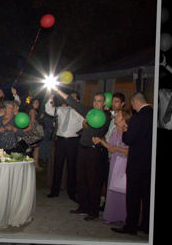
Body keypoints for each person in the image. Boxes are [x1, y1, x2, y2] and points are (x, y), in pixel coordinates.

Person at [52, 87, 112, 221]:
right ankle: (83, 206)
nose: (96, 103)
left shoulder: (107, 118)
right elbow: (73, 103)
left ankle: (93, 211)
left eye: (99, 101)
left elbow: (107, 134)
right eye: (95, 100)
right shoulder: (90, 112)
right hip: (83, 148)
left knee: (93, 181)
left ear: (104, 103)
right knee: (81, 179)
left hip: (95, 151)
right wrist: (57, 89)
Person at [113, 92, 153, 235]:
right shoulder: (154, 115)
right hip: (150, 163)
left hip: (137, 163)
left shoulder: (137, 117)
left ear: (135, 101)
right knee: (148, 197)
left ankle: (131, 227)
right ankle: (147, 225)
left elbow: (128, 140)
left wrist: (124, 131)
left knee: (134, 197)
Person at [94, 108, 132, 225]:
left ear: (124, 119)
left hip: (123, 163)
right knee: (112, 188)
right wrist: (100, 140)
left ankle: (123, 216)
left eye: (118, 115)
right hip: (114, 162)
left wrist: (116, 149)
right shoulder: (116, 131)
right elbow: (111, 147)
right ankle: (112, 215)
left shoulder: (128, 133)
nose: (115, 115)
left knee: (122, 189)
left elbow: (130, 151)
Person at [45, 91, 84, 201]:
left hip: (73, 141)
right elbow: (48, 109)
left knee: (72, 167)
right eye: (70, 97)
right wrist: (51, 97)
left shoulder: (80, 113)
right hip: (61, 141)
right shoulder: (61, 109)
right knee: (58, 166)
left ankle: (72, 192)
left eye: (74, 97)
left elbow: (85, 125)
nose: (71, 98)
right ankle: (54, 190)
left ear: (78, 101)